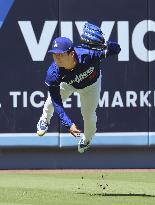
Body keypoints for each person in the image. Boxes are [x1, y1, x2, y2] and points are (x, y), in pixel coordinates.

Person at [37, 23, 121, 153]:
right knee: (49, 103)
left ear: (71, 54)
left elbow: (116, 50)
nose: (57, 57)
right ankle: (44, 119)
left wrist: (106, 43)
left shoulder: (89, 55)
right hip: (68, 84)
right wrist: (68, 123)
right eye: (54, 54)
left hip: (91, 85)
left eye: (60, 54)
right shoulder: (53, 72)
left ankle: (87, 139)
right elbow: (56, 101)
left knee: (88, 115)